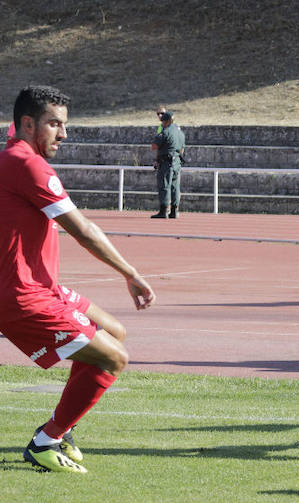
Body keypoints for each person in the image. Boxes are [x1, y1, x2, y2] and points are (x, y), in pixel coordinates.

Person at [0, 85, 156, 473]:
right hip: (22, 295)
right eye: (55, 124)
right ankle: (45, 441)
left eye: (64, 124)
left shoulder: (13, 155)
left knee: (114, 332)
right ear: (27, 123)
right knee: (113, 358)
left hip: (41, 285)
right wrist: (131, 274)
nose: (63, 134)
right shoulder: (27, 164)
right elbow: (83, 230)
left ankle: (60, 429)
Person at [150, 110, 185, 219]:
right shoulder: (180, 132)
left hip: (166, 162)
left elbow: (154, 146)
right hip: (177, 162)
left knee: (165, 186)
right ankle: (174, 211)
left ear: (166, 122)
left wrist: (159, 155)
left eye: (163, 121)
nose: (162, 123)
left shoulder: (166, 131)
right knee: (175, 187)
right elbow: (182, 149)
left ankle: (164, 210)